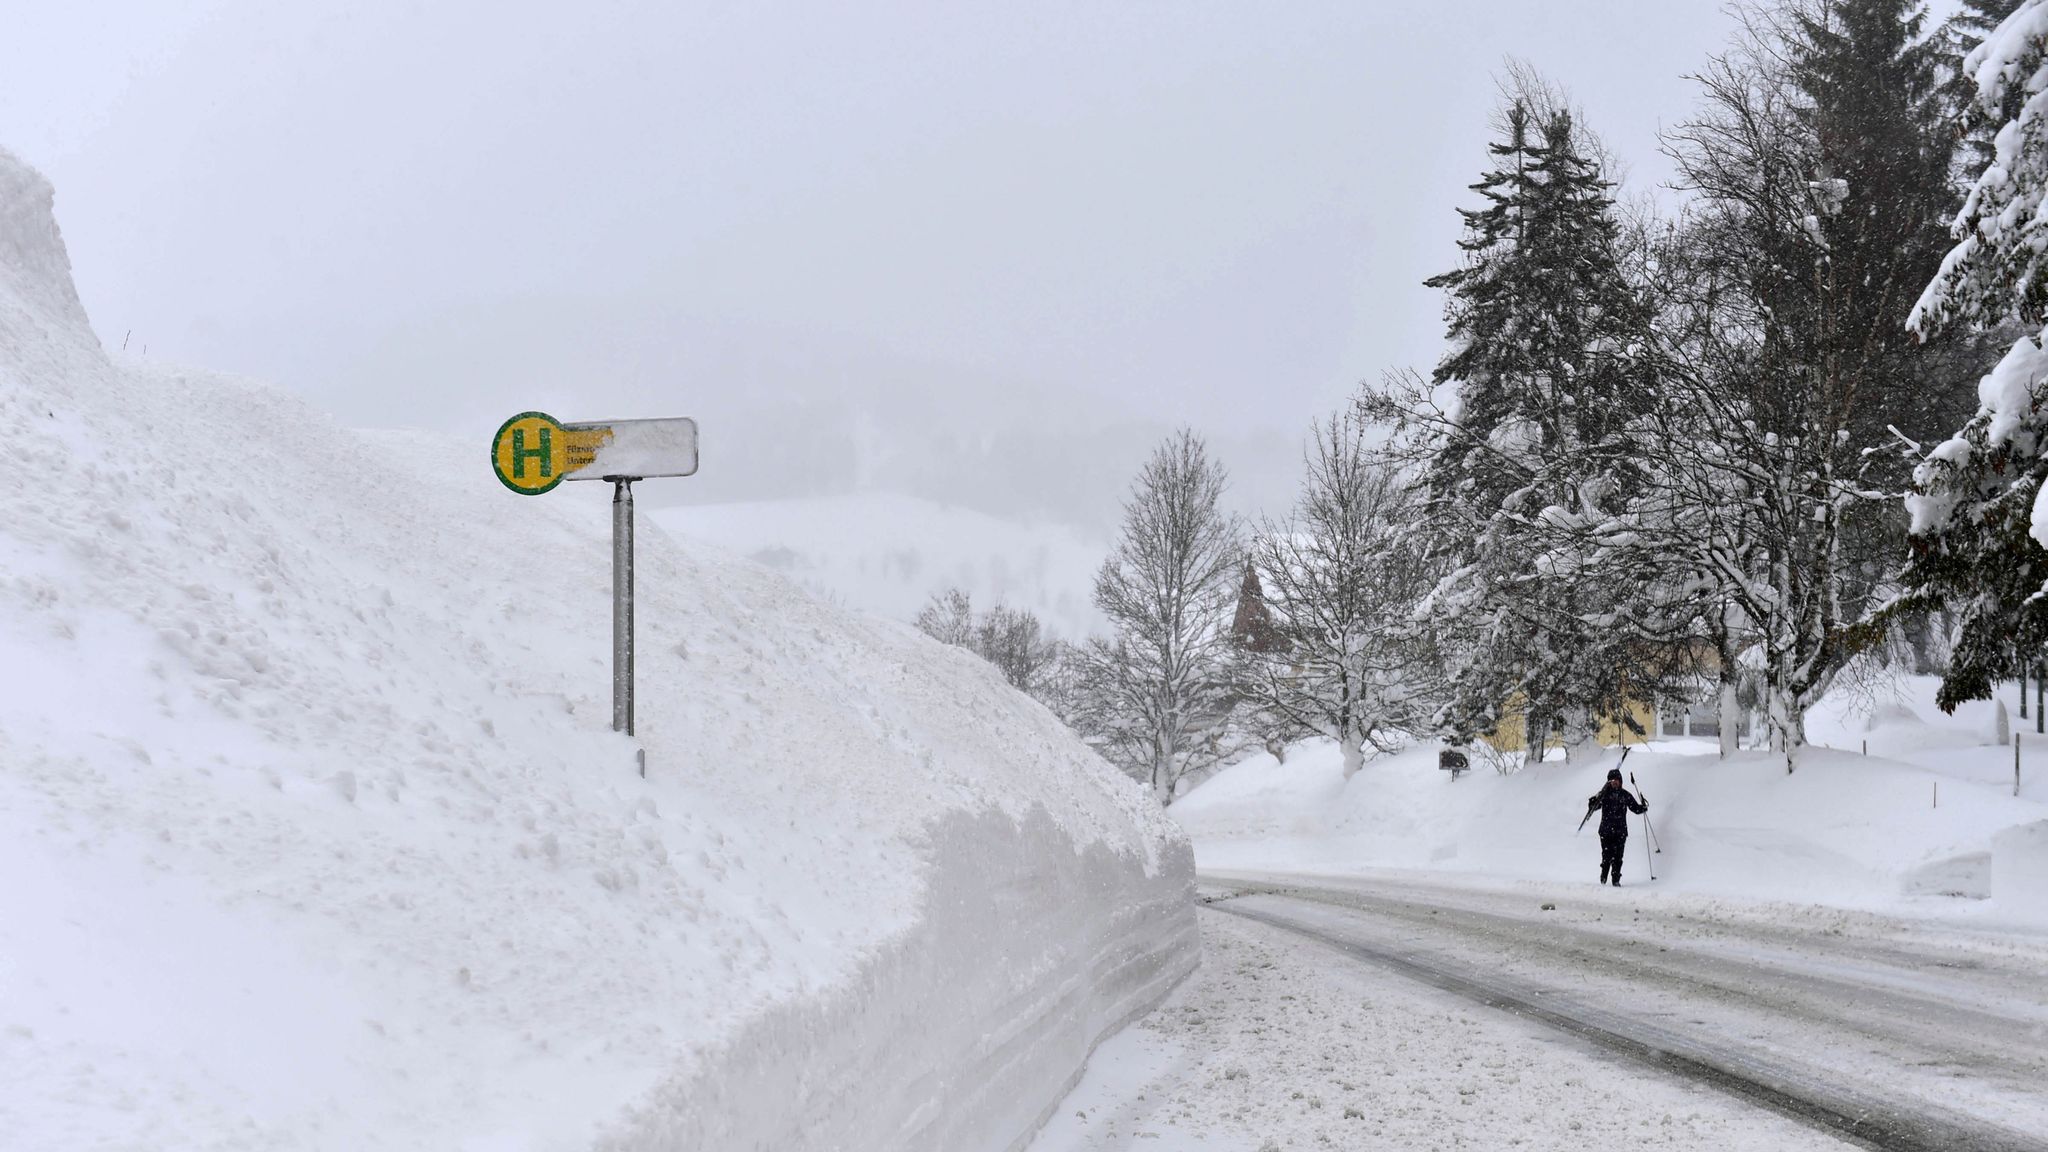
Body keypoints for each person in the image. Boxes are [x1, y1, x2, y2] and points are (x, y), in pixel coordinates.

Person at [1586, 767, 1647, 886]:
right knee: (1606, 856)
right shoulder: (1604, 795)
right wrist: (1593, 800)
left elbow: (1635, 808)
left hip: (1620, 832)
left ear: (1620, 781)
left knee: (1618, 857)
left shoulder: (1625, 795)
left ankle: (1616, 880)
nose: (1614, 782)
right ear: (1608, 782)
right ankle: (1603, 878)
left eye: (1616, 780)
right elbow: (1594, 807)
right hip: (1606, 831)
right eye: (1612, 780)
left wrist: (1643, 808)